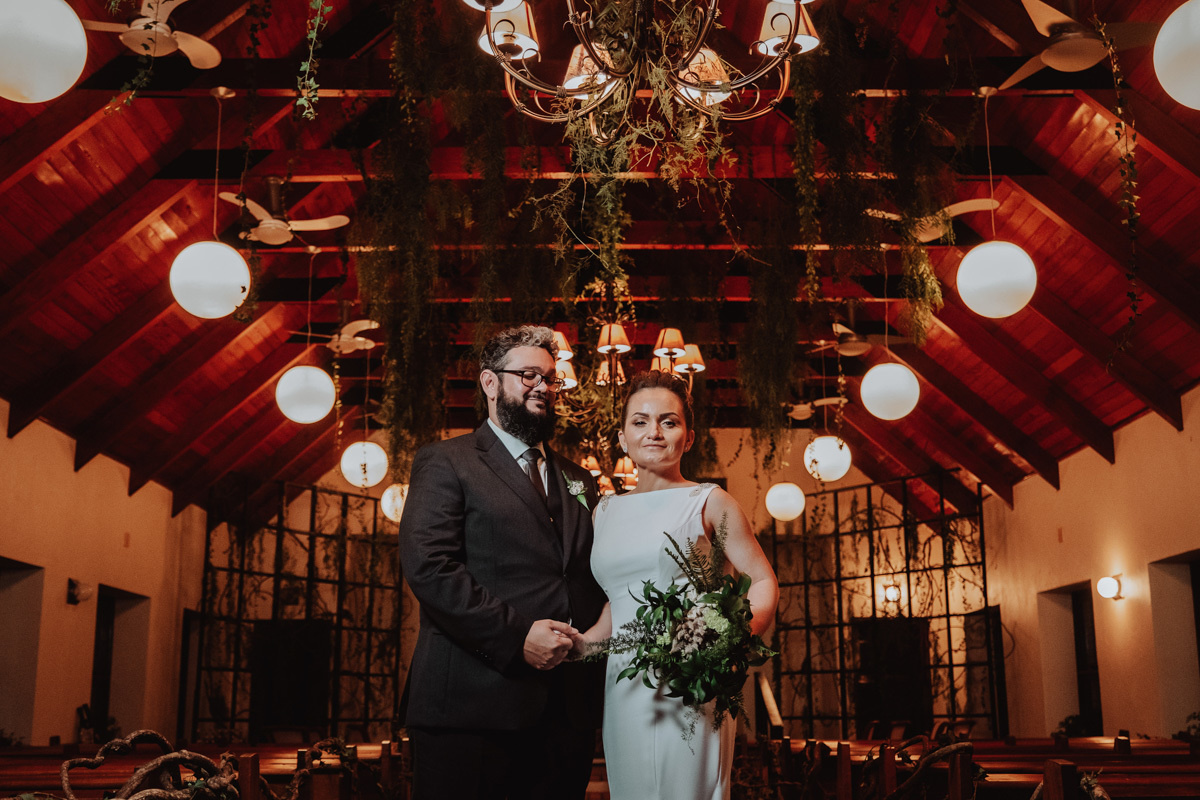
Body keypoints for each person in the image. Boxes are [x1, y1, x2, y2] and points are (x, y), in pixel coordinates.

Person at [397, 325, 606, 800]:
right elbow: (430, 567)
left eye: (551, 379)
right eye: (528, 374)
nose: (543, 387)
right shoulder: (446, 461)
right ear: (490, 384)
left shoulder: (579, 479)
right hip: (471, 709)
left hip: (566, 713)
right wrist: (518, 638)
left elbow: (587, 573)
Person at [575, 369, 780, 800]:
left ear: (688, 437)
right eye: (640, 421)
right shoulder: (603, 512)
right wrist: (584, 644)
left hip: (691, 682)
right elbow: (621, 598)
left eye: (669, 422)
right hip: (624, 683)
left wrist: (729, 649)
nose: (654, 432)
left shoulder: (709, 501)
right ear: (622, 437)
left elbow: (762, 580)